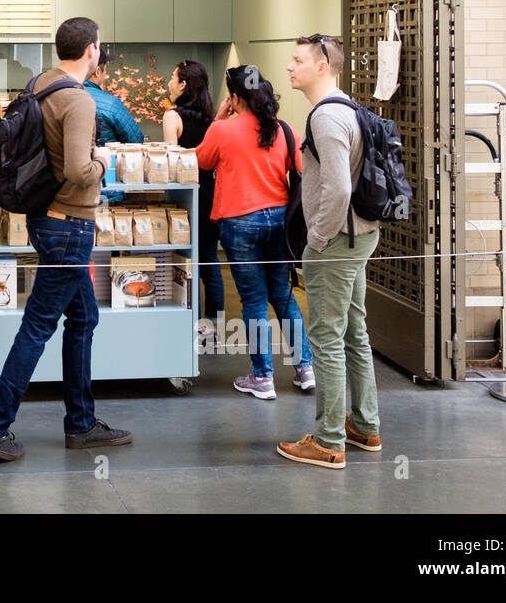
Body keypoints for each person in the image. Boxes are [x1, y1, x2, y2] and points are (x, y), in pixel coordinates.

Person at [0, 17, 133, 461]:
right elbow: (78, 170)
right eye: (99, 47)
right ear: (91, 51)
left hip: (47, 219)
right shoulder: (79, 100)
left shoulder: (40, 85)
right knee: (38, 326)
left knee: (83, 318)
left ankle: (81, 423)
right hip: (71, 227)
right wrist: (104, 159)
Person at [278, 34, 382, 470]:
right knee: (353, 331)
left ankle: (328, 441)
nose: (289, 66)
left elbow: (337, 186)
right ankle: (364, 424)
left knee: (325, 338)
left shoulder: (326, 118)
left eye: (298, 60)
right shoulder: (348, 108)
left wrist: (317, 240)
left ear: (322, 66)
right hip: (359, 235)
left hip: (336, 242)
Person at [195, 64, 313, 401]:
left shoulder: (223, 130)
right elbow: (302, 169)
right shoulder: (285, 130)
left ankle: (263, 376)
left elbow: (202, 161)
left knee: (252, 300)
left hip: (239, 222)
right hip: (279, 222)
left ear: (234, 98)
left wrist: (219, 118)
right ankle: (305, 368)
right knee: (282, 294)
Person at [162, 60, 224, 340]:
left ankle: (193, 322)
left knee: (188, 262)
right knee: (210, 261)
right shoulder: (212, 121)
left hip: (185, 198)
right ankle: (215, 325)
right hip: (212, 195)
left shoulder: (172, 118)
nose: (169, 83)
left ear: (184, 84)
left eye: (173, 78)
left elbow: (172, 166)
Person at [85, 47, 143, 146]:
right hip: (107, 160)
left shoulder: (67, 97)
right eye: (105, 70)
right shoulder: (111, 104)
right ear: (98, 71)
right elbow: (136, 141)